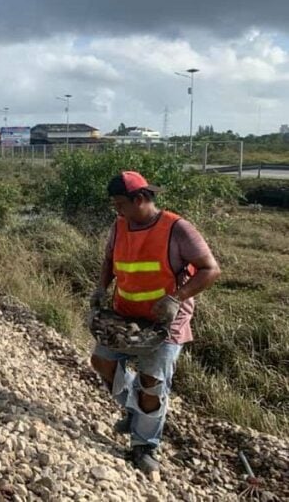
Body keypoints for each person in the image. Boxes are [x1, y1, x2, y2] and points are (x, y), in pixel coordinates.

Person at [89, 171, 221, 474]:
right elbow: (110, 260)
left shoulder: (177, 228)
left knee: (152, 382)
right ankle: (135, 409)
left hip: (164, 321)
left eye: (120, 203)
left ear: (140, 199)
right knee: (102, 362)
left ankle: (144, 444)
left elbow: (210, 269)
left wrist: (177, 298)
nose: (117, 210)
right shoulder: (120, 225)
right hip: (124, 315)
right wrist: (101, 287)